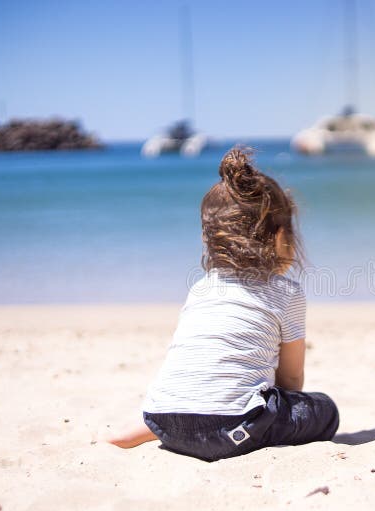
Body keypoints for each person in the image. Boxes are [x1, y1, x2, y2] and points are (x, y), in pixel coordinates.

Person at [107, 146, 339, 461]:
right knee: (325, 410)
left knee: (192, 399)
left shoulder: (200, 289)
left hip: (163, 415)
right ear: (280, 235)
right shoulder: (286, 292)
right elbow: (291, 380)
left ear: (211, 240)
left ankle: (149, 428)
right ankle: (202, 419)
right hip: (233, 427)